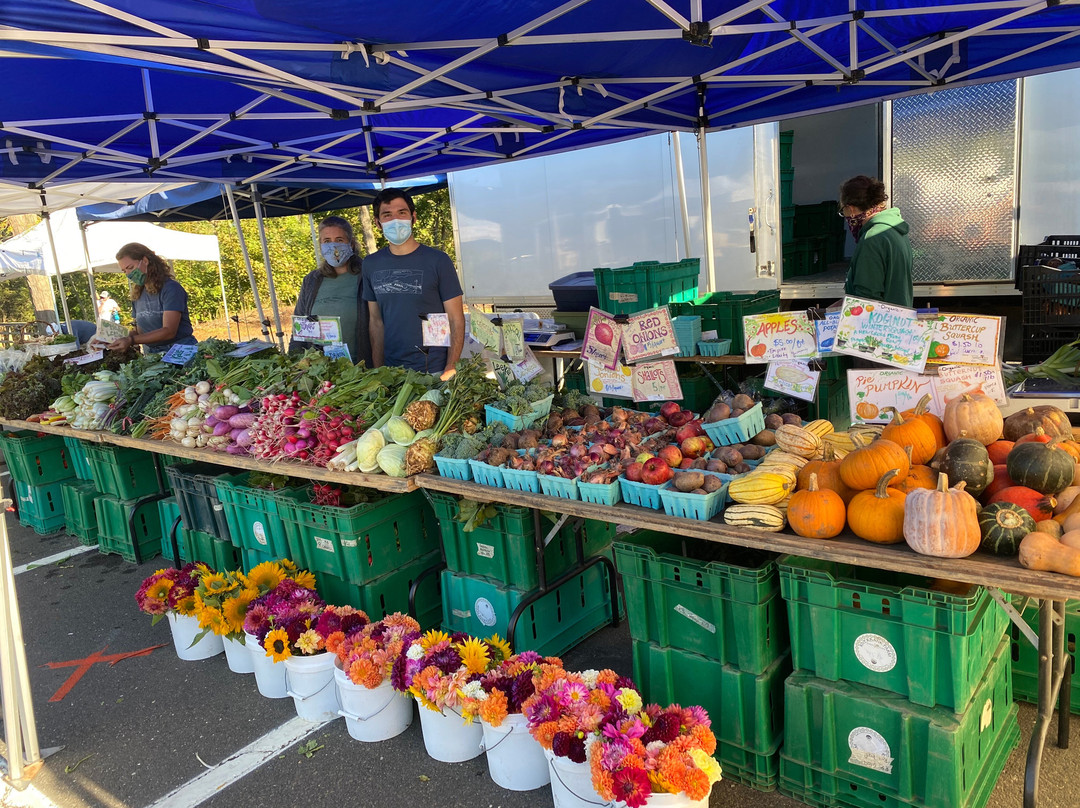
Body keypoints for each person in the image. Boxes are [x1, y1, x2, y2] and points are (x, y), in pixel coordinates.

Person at [363, 190, 465, 379]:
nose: (395, 220)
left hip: (434, 370)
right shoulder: (370, 264)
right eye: (387, 215)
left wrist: (451, 366)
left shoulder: (439, 261)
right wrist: (378, 370)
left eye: (402, 212)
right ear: (377, 223)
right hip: (392, 372)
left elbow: (455, 318)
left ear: (413, 217)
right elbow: (376, 322)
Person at [290, 215, 372, 366]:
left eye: (339, 240)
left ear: (351, 243)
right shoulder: (311, 281)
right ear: (320, 245)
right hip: (319, 370)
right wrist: (293, 363)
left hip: (360, 368)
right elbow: (299, 328)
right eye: (327, 241)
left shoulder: (367, 275)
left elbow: (379, 324)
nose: (333, 246)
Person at [106, 242, 196, 354]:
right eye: (124, 271)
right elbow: (138, 331)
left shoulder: (171, 289)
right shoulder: (138, 294)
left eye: (130, 267)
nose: (128, 274)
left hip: (180, 351)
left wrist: (131, 340)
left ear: (145, 261)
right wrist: (111, 340)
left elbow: (169, 331)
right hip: (153, 353)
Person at [840, 175, 914, 308]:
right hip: (899, 316)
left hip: (879, 320)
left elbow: (866, 299)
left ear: (851, 210)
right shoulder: (896, 231)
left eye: (843, 211)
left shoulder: (872, 239)